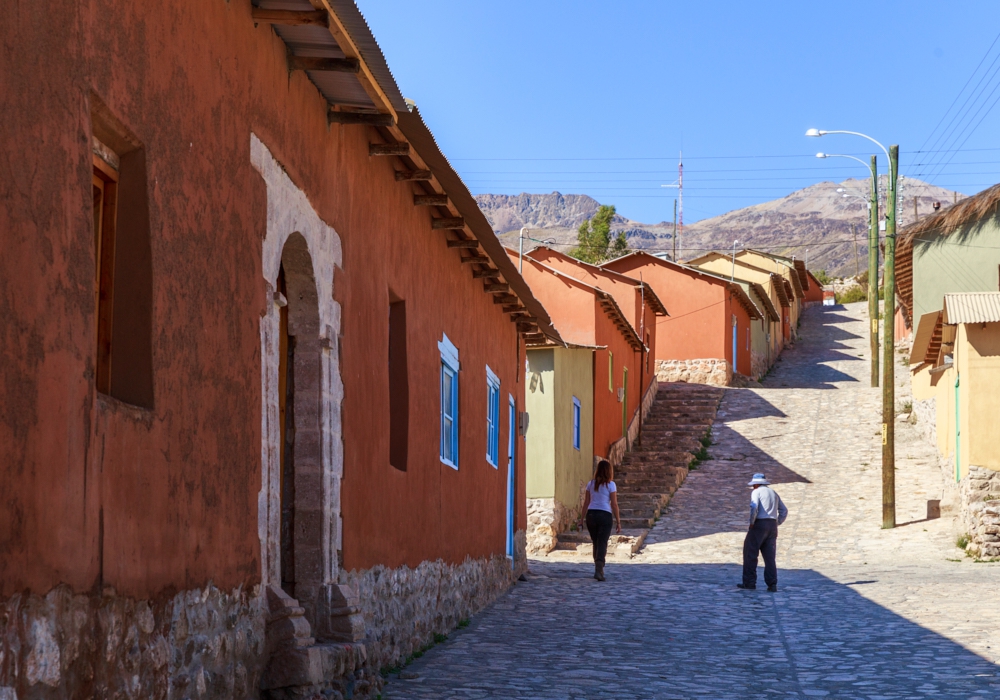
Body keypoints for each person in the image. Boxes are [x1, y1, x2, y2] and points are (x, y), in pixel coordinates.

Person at [738, 473, 788, 592]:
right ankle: (772, 584)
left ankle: (749, 582)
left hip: (759, 524)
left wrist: (752, 522)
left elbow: (754, 507)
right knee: (770, 557)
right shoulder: (774, 493)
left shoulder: (756, 492)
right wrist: (777, 522)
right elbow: (784, 510)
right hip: (772, 526)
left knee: (750, 552)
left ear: (756, 484)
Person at [579, 459, 621, 581]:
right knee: (602, 542)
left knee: (596, 542)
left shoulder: (590, 484)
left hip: (591, 515)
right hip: (605, 515)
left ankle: (598, 567)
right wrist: (618, 521)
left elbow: (586, 503)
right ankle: (599, 568)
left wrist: (581, 519)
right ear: (609, 471)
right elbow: (614, 504)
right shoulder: (611, 485)